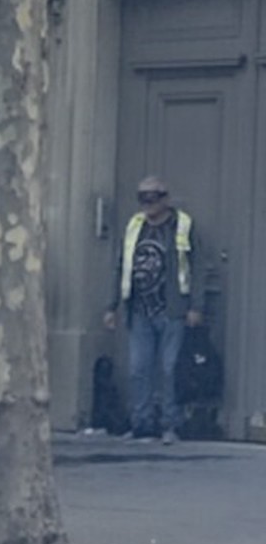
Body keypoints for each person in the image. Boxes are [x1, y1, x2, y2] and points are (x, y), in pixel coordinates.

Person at [104, 175, 202, 444]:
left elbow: (197, 266)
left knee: (170, 368)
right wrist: (112, 306)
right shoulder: (135, 226)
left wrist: (195, 305)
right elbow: (121, 266)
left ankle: (171, 424)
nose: (148, 203)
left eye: (153, 197)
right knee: (139, 368)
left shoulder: (182, 225)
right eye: (142, 197)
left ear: (165, 199)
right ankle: (141, 423)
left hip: (172, 309)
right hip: (140, 310)